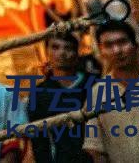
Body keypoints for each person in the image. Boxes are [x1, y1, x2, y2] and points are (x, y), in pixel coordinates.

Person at [83, 21, 139, 162]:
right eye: (108, 45)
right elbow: (96, 149)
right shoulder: (97, 93)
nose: (117, 50)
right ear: (100, 51)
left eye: (122, 42)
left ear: (136, 44)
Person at [28, 33, 96, 162]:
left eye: (68, 48)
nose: (62, 53)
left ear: (77, 52)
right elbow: (39, 141)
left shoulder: (94, 84)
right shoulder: (39, 93)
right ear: (47, 52)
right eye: (55, 47)